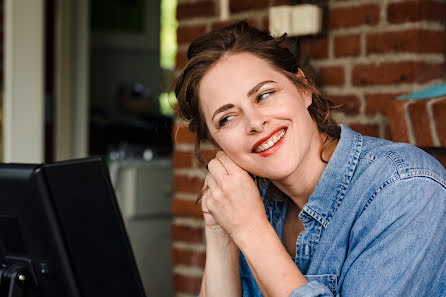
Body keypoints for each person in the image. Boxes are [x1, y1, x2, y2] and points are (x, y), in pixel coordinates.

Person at [174, 20, 446, 297]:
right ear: (217, 142)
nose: (254, 122)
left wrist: (250, 229)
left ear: (303, 87)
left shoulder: (406, 187)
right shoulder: (248, 202)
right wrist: (221, 233)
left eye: (264, 94)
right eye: (227, 118)